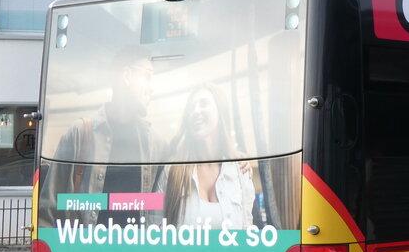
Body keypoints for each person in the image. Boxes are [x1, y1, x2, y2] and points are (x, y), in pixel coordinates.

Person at [41, 48, 165, 224]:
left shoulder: (155, 144)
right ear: (127, 76)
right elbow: (47, 213)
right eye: (147, 76)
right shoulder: (80, 134)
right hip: (88, 243)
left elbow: (160, 210)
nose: (151, 89)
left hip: (136, 243)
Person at [159, 84, 255, 229]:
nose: (195, 111)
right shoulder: (171, 171)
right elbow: (152, 226)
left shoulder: (240, 171)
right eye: (191, 108)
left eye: (203, 104)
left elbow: (247, 230)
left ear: (220, 112)